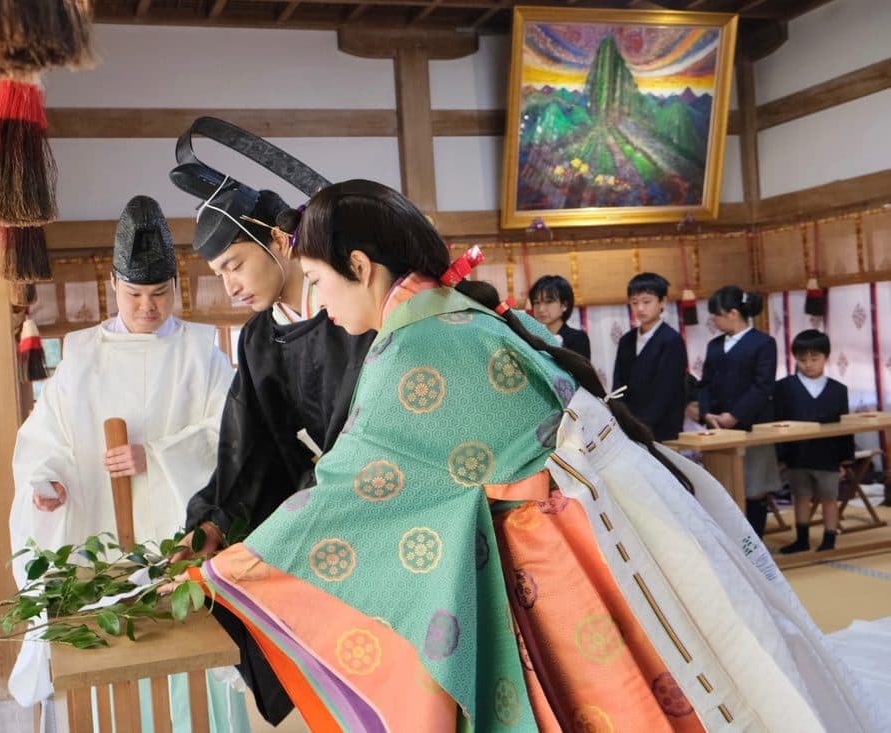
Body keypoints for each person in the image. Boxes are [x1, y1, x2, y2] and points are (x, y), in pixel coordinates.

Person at [193, 181, 883, 732]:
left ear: (361, 268)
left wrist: (235, 568)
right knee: (706, 668)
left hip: (559, 550)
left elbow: (355, 481)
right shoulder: (457, 312)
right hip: (613, 516)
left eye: (319, 279)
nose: (321, 302)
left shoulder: (413, 348)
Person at [7, 195, 246, 730]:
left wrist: (156, 455)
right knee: (111, 668)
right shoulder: (82, 354)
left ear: (175, 288)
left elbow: (230, 436)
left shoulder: (200, 351)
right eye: (134, 294)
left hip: (179, 540)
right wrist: (49, 481)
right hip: (100, 537)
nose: (147, 307)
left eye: (159, 294)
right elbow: (48, 437)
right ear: (113, 285)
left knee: (189, 668)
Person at [169, 120, 375, 724]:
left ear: (280, 243)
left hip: (377, 495)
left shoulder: (351, 312)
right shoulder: (260, 337)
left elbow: (361, 429)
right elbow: (247, 444)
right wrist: (215, 520)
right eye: (219, 275)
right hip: (322, 503)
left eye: (234, 264)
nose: (229, 285)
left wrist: (296, 521)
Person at [699, 285, 778, 537]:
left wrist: (736, 416)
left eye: (717, 315)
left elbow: (762, 385)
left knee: (754, 486)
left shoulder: (763, 343)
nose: (714, 320)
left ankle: (756, 540)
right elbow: (705, 383)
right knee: (723, 487)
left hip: (751, 425)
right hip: (718, 428)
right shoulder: (714, 346)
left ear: (733, 313)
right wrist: (707, 413)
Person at [775, 330, 853, 554]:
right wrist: (781, 458)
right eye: (802, 359)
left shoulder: (838, 390)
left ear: (826, 357)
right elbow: (777, 423)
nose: (808, 364)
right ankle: (802, 539)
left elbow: (845, 428)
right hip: (796, 454)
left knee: (830, 498)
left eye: (814, 358)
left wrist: (845, 461)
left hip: (828, 454)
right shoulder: (784, 387)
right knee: (800, 497)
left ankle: (829, 538)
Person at [612, 273, 688, 441]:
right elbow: (618, 383)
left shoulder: (671, 340)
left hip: (662, 426)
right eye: (634, 303)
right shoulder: (626, 340)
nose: (640, 308)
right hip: (629, 425)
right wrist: (621, 416)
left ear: (662, 302)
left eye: (646, 302)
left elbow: (667, 389)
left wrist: (643, 423)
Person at [528, 274, 591, 359]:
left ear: (564, 305)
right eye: (537, 302)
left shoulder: (577, 338)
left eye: (548, 302)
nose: (541, 309)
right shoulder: (533, 337)